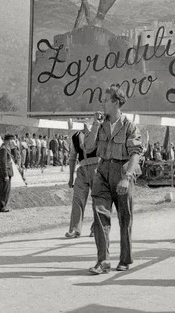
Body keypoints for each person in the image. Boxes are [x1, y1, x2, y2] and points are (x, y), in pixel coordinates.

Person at [85, 85, 143, 274]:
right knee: (100, 215)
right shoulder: (100, 123)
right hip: (102, 172)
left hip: (123, 171)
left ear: (115, 103)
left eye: (106, 100)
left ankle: (125, 259)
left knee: (125, 218)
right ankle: (103, 261)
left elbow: (135, 154)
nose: (102, 104)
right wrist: (94, 125)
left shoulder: (129, 126)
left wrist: (127, 177)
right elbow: (88, 147)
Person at [65, 122, 98, 239]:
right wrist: (70, 177)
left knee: (98, 200)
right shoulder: (75, 136)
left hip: (97, 167)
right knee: (77, 200)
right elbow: (73, 157)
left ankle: (96, 228)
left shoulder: (98, 131)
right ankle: (75, 229)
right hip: (82, 169)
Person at [0, 134, 14, 213]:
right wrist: (5, 174)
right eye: (11, 140)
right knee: (3, 190)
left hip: (8, 171)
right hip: (4, 172)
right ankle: (2, 206)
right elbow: (3, 163)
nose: (12, 142)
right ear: (8, 140)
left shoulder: (6, 148)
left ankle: (3, 206)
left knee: (6, 190)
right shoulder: (3, 149)